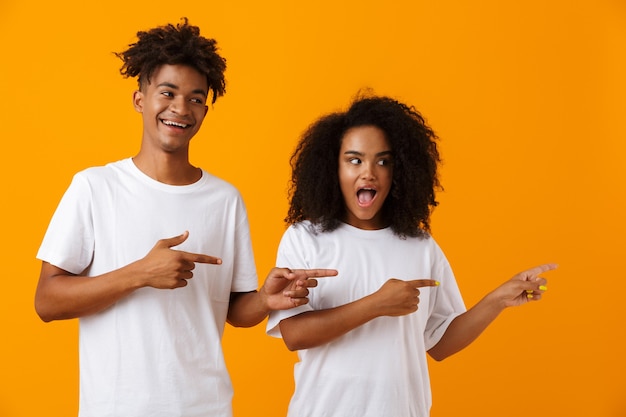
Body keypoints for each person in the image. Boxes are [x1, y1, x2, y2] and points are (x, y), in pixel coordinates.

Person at [34, 18, 336, 417]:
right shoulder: (95, 187)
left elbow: (234, 311)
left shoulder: (225, 199)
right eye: (168, 92)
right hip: (115, 407)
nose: (180, 108)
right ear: (140, 99)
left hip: (206, 406)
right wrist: (141, 273)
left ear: (205, 111)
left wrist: (265, 299)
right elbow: (47, 301)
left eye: (195, 98)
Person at [266, 94, 557, 417]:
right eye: (354, 160)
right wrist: (376, 305)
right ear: (332, 168)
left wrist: (497, 299)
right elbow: (293, 334)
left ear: (400, 170)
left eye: (383, 161)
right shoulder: (305, 238)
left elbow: (440, 343)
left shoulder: (420, 245)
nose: (369, 173)